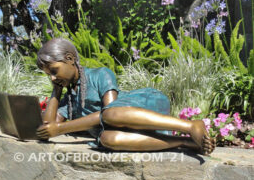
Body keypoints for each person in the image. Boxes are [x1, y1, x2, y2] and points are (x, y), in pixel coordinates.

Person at [36, 38, 215, 155]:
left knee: (109, 114)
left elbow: (111, 115)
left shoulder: (100, 74)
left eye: (54, 71)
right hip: (130, 132)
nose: (52, 77)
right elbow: (48, 127)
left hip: (144, 105)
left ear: (70, 58)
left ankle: (190, 125)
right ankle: (185, 143)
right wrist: (56, 92)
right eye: (48, 75)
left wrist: (60, 129)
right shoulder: (69, 98)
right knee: (107, 140)